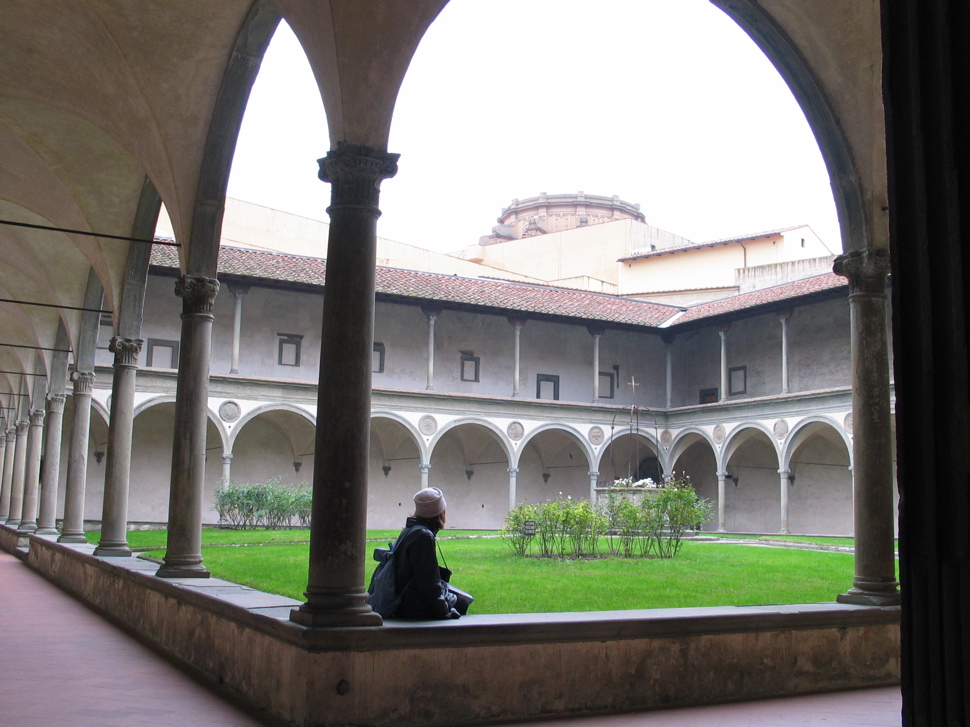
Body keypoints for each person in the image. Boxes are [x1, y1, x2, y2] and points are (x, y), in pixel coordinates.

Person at [393, 487, 461, 620]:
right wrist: (444, 611)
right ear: (439, 513)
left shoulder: (410, 529)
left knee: (455, 595)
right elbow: (428, 583)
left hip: (403, 599)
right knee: (462, 601)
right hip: (411, 605)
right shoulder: (423, 536)